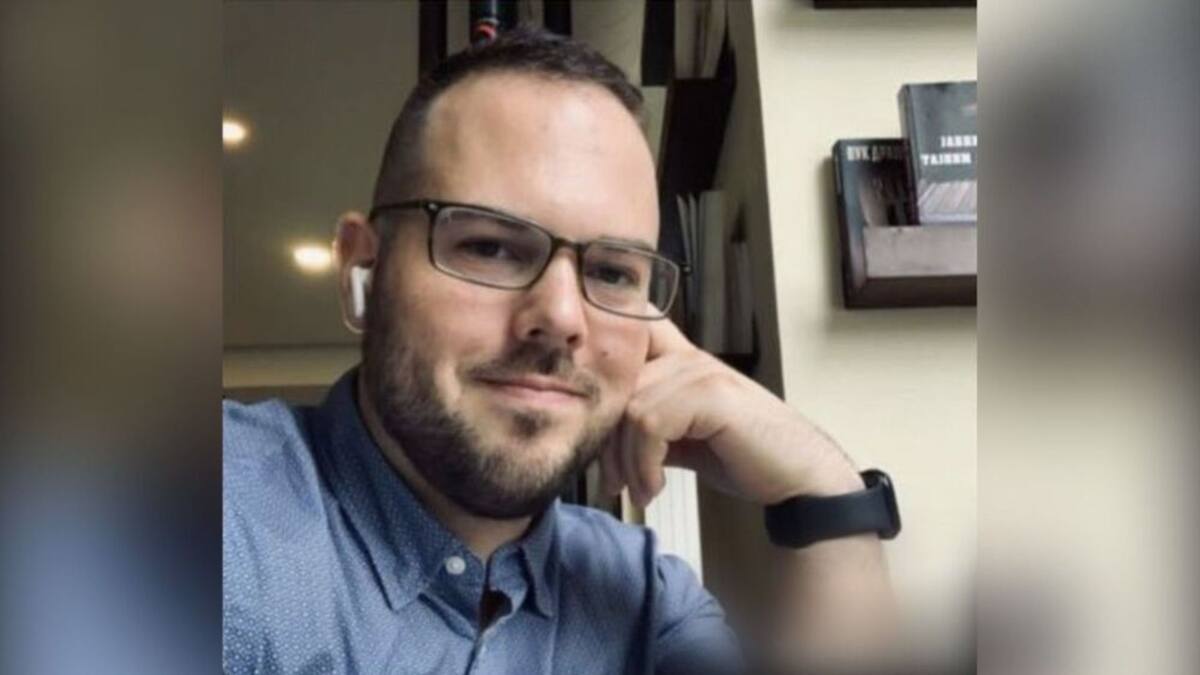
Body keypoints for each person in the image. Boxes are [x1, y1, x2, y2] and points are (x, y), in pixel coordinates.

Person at [223, 26, 895, 675]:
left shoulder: (649, 598)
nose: (562, 318)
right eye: (489, 246)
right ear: (361, 268)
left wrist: (827, 494)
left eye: (612, 272)